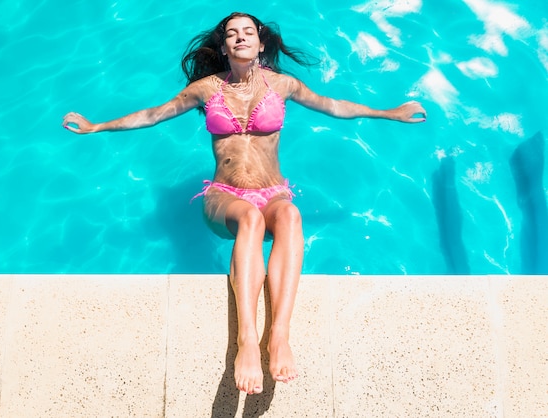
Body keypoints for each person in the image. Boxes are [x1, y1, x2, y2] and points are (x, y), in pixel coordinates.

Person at [63, 11, 426, 395]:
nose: (240, 38)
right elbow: (154, 114)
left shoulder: (283, 85)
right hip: (225, 198)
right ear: (223, 47)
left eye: (248, 32)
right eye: (232, 34)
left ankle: (280, 336)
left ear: (261, 42)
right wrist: (96, 126)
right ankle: (247, 343)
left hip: (272, 193)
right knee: (250, 219)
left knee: (289, 213)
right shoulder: (205, 89)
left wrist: (389, 113)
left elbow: (333, 106)